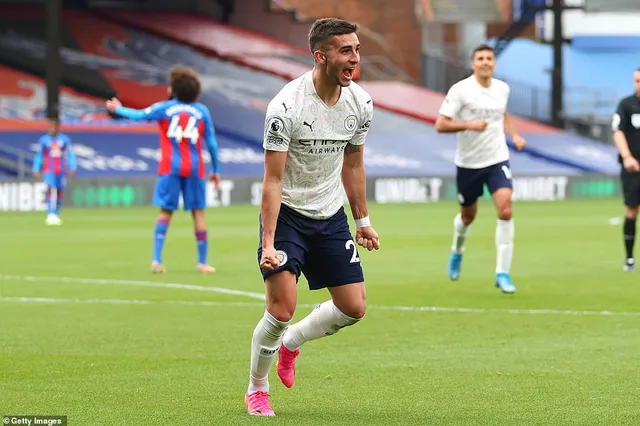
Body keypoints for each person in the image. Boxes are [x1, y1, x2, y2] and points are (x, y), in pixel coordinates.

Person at [244, 17, 379, 417]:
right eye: (345, 51)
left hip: (330, 214)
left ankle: (291, 344)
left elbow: (353, 164)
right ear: (320, 56)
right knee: (281, 308)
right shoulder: (286, 107)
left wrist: (363, 220)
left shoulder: (361, 103)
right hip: (287, 214)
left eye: (356, 49)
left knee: (354, 308)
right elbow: (271, 179)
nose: (355, 58)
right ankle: (257, 388)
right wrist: (268, 242)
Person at [105, 66, 221, 274]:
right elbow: (211, 143)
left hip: (170, 167)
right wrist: (216, 169)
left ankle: (156, 260)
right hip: (195, 168)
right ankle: (202, 262)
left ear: (174, 89)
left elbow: (139, 115)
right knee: (198, 213)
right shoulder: (202, 111)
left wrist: (118, 109)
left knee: (166, 212)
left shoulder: (165, 108)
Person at [435, 44, 526, 294]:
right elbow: (441, 124)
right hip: (468, 163)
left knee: (506, 210)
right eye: (480, 58)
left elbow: (502, 113)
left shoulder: (502, 88)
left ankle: (502, 272)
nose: (485, 62)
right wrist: (470, 125)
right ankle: (457, 251)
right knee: (467, 216)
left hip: (497, 158)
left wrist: (515, 135)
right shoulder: (461, 90)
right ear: (473, 63)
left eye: (489, 58)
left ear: (494, 63)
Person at [612, 68, 640, 271]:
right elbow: (618, 131)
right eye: (637, 81)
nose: (639, 84)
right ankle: (629, 258)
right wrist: (627, 156)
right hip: (633, 168)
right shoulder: (626, 105)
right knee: (631, 209)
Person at [32, 117, 77, 226]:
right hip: (49, 169)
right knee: (49, 189)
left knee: (59, 191)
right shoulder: (44, 140)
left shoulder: (64, 139)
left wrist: (73, 166)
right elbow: (40, 155)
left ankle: (56, 213)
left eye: (54, 126)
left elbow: (69, 154)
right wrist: (36, 168)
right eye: (50, 126)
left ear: (58, 127)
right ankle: (50, 213)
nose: (52, 129)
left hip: (61, 169)